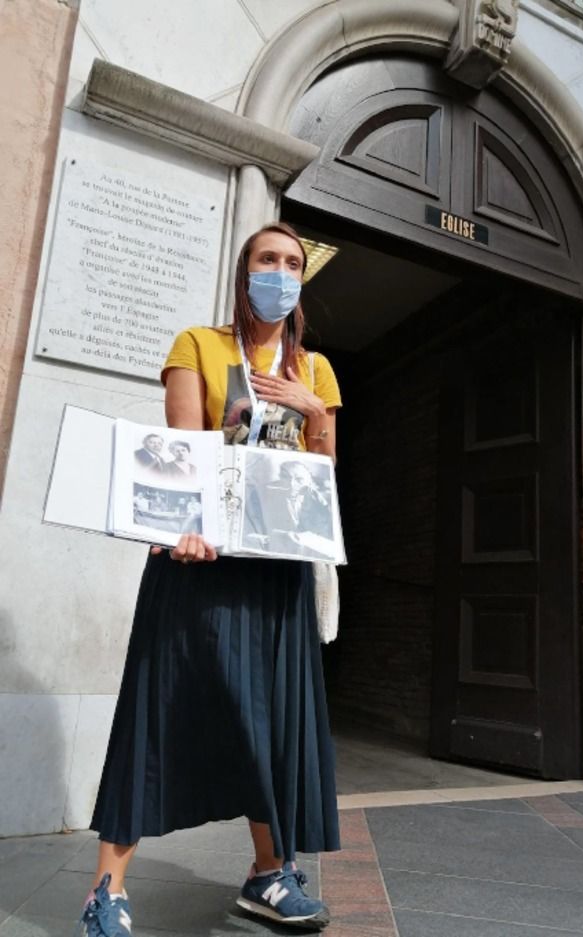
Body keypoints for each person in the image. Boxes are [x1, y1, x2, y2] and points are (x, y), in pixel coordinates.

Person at [79, 222, 342, 936]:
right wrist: (185, 526)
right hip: (197, 564)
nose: (280, 273)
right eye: (267, 259)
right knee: (156, 711)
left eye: (291, 263)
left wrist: (314, 414)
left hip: (276, 575)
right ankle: (107, 890)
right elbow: (185, 451)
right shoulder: (199, 344)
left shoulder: (316, 369)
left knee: (268, 723)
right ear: (244, 270)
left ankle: (268, 874)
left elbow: (322, 478)